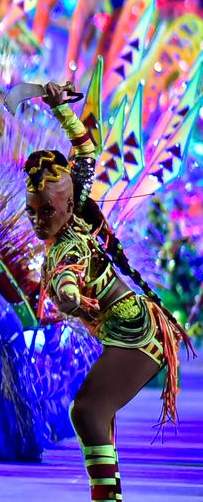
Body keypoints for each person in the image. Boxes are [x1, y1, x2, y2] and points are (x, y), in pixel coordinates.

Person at [24, 80, 191, 501]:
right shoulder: (76, 208)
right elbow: (84, 151)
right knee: (98, 413)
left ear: (65, 205)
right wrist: (59, 109)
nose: (37, 220)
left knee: (88, 410)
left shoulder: (67, 245)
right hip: (128, 329)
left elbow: (67, 276)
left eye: (46, 211)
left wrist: (68, 296)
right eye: (31, 211)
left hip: (139, 334)